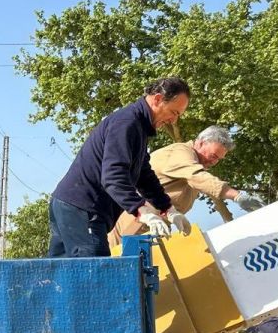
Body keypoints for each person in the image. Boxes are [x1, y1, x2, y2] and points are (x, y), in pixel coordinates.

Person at [47, 78, 193, 257]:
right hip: (83, 208)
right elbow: (113, 176)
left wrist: (168, 209)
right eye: (173, 112)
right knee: (95, 272)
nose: (173, 120)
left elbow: (143, 175)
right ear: (157, 99)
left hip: (69, 205)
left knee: (58, 274)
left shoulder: (138, 127)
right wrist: (142, 211)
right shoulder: (127, 122)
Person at [112, 125, 264, 242]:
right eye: (212, 155)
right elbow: (196, 176)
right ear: (200, 143)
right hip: (139, 221)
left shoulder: (196, 162)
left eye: (218, 159)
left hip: (156, 225)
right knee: (118, 266)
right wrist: (236, 196)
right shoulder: (181, 152)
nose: (214, 161)